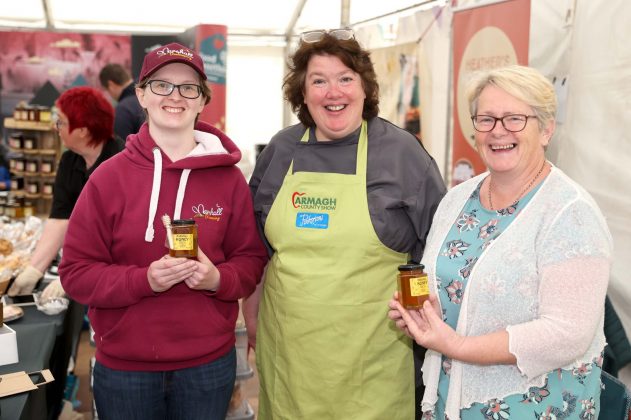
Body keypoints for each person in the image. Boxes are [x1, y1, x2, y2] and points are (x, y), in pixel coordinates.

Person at [389, 65, 613, 419]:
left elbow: (568, 332)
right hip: (454, 401)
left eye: (514, 119)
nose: (498, 132)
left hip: (536, 408)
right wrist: (428, 316)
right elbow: (455, 286)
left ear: (546, 130)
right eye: (487, 119)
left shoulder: (571, 213)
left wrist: (458, 345)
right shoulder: (457, 200)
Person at [59, 42, 268, 420]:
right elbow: (75, 274)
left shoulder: (230, 180)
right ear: (141, 94)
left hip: (207, 367)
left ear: (203, 100)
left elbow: (251, 262)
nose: (175, 96)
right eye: (161, 85)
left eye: (189, 87)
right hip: (125, 369)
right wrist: (145, 280)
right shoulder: (107, 178)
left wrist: (217, 278)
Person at [245, 29, 446, 419]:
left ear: (365, 88)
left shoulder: (403, 154)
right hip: (290, 353)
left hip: (374, 357)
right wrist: (250, 314)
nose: (332, 92)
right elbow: (255, 246)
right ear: (302, 95)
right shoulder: (281, 150)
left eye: (345, 79)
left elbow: (435, 251)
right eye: (318, 81)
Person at [8, 86, 125, 301]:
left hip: (115, 272)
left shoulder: (120, 162)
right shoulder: (70, 161)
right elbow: (60, 219)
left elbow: (116, 233)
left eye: (61, 121)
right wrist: (34, 269)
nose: (56, 127)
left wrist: (76, 270)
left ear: (83, 130)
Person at [99, 63, 145, 141]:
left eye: (107, 90)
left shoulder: (122, 110)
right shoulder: (149, 94)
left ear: (111, 85)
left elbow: (121, 148)